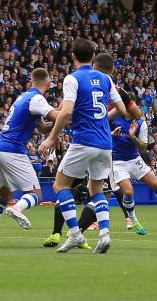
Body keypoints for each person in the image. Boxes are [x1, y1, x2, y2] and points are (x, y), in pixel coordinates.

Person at [38, 38, 128, 254]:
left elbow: (67, 111)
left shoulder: (73, 78)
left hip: (84, 140)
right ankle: (104, 234)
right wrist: (100, 119)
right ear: (93, 57)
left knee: (60, 186)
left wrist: (52, 137)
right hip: (105, 143)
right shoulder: (106, 79)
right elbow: (122, 109)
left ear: (73, 56)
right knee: (96, 189)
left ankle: (76, 235)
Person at [0, 68, 59, 245]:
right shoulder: (37, 99)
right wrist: (69, 113)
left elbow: (43, 127)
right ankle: (17, 208)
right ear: (47, 83)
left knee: (4, 194)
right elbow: (57, 116)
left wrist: (58, 118)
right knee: (36, 194)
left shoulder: (22, 97)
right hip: (12, 150)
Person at [108, 103, 157, 235]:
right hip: (117, 161)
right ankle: (134, 220)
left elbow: (143, 147)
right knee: (128, 191)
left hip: (134, 159)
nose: (135, 110)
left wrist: (133, 136)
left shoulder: (140, 123)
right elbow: (101, 135)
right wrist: (112, 135)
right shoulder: (113, 118)